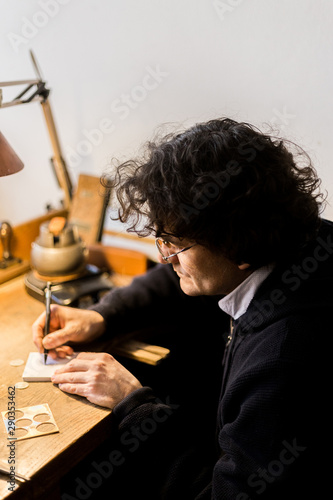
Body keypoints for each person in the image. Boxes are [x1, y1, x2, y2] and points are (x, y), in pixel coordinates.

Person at [32, 118, 331, 499]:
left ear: (236, 243)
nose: (167, 257)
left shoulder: (283, 361)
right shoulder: (301, 240)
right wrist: (100, 315)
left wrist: (134, 403)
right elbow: (183, 282)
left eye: (174, 243)